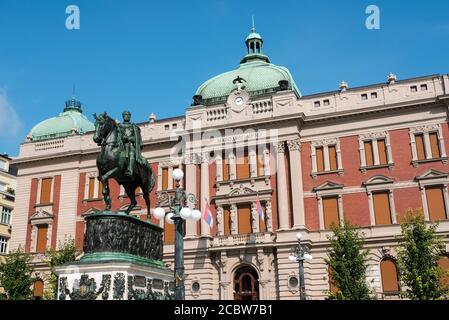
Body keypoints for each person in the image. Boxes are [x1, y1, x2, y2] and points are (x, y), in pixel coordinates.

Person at [118, 111, 147, 176]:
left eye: (129, 115)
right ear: (123, 116)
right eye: (125, 115)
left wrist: (131, 138)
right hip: (121, 145)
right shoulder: (119, 127)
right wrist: (122, 138)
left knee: (131, 152)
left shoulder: (134, 127)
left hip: (131, 145)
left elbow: (138, 139)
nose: (127, 116)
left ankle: (130, 169)